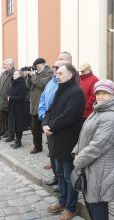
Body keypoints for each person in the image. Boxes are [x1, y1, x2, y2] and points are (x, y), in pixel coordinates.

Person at [72, 79, 114, 220]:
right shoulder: (99, 110)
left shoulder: (113, 116)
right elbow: (84, 134)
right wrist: (77, 150)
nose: (100, 96)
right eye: (98, 93)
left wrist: (79, 160)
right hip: (89, 164)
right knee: (91, 201)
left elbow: (98, 145)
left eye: (105, 93)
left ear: (113, 95)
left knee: (98, 204)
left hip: (101, 167)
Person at [43, 64, 85, 220]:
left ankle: (71, 207)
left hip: (68, 141)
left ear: (70, 75)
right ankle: (62, 200)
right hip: (55, 138)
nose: (57, 75)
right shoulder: (59, 89)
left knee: (69, 176)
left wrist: (50, 126)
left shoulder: (76, 92)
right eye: (56, 73)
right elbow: (49, 110)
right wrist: (44, 124)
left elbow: (69, 116)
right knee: (59, 173)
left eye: (60, 73)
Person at [38, 60, 66, 190]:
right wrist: (44, 118)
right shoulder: (51, 82)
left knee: (60, 156)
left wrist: (52, 123)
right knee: (52, 153)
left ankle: (62, 182)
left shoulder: (63, 84)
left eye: (57, 67)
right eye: (54, 67)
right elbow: (43, 100)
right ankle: (56, 177)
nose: (54, 69)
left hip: (58, 125)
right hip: (48, 123)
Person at [26, 58, 53, 154]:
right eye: (36, 67)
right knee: (35, 128)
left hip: (44, 106)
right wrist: (28, 77)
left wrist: (33, 76)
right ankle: (37, 147)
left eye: (38, 66)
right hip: (34, 106)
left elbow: (42, 84)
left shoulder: (49, 72)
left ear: (44, 64)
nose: (37, 68)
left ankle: (51, 150)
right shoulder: (36, 74)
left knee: (48, 129)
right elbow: (29, 87)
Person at [8, 70, 30, 149]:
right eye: (14, 73)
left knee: (18, 125)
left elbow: (21, 97)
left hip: (19, 108)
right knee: (14, 124)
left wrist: (10, 98)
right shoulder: (14, 83)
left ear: (20, 75)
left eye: (16, 74)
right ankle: (17, 141)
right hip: (13, 107)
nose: (14, 75)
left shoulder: (22, 84)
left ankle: (18, 142)